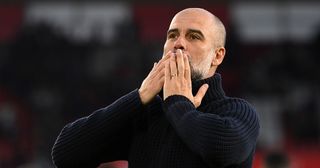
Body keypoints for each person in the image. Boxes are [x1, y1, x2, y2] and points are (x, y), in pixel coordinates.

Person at [51, 8, 260, 168]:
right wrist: (139, 97)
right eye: (172, 35)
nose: (178, 43)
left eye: (194, 36)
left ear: (218, 55)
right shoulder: (148, 116)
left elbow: (220, 149)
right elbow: (65, 154)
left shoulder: (237, 112)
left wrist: (178, 102)